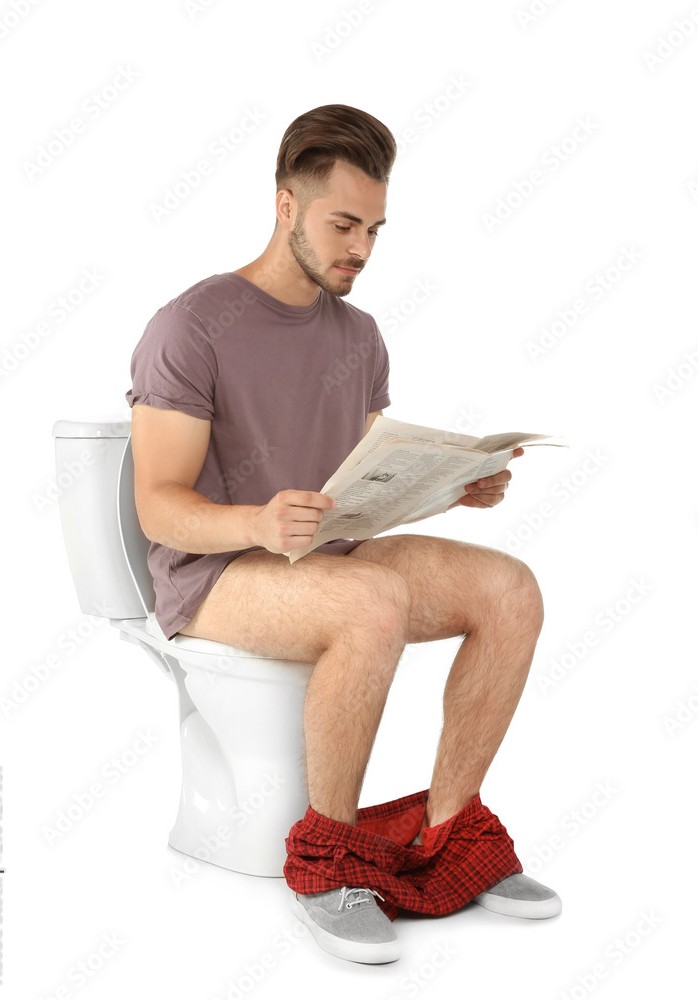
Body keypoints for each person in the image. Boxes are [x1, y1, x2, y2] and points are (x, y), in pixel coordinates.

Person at [125, 104, 561, 965]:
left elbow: (360, 492)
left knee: (509, 590)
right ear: (286, 206)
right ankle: (328, 864)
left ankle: (447, 836)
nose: (361, 247)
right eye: (343, 224)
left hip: (326, 557)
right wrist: (255, 522)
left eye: (374, 229)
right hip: (215, 574)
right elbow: (157, 506)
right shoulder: (190, 325)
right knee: (368, 601)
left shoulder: (358, 335)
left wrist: (450, 488)